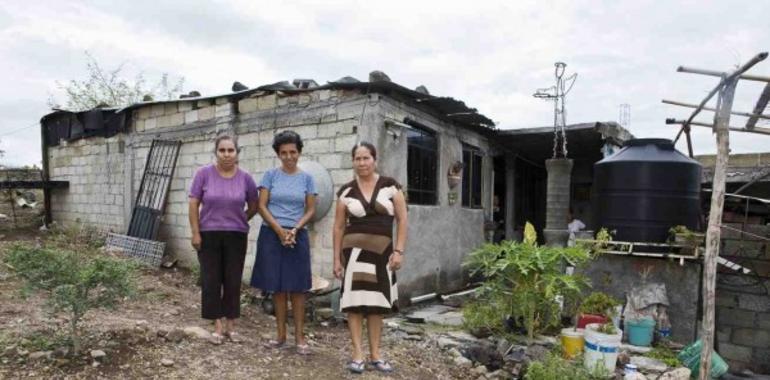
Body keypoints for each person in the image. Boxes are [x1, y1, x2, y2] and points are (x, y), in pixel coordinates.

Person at [333, 141, 408, 374]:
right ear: (353, 161)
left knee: (377, 305)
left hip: (382, 255)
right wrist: (336, 259)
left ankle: (376, 354)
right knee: (354, 305)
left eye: (366, 158)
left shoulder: (391, 187)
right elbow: (337, 228)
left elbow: (403, 220)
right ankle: (357, 354)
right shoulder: (345, 191)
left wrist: (398, 251)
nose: (362, 162)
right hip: (353, 255)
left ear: (374, 160)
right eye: (358, 158)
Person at [250, 130, 316, 355]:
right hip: (271, 234)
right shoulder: (270, 176)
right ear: (278, 154)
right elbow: (261, 206)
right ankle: (280, 336)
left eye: (293, 152)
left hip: (298, 236)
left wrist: (295, 229)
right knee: (277, 288)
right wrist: (279, 230)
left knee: (298, 289)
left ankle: (299, 338)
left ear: (299, 152)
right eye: (284, 153)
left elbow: (311, 209)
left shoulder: (307, 179)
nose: (289, 156)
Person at [188, 135, 259, 345]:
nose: (226, 154)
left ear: (237, 153)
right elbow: (193, 204)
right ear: (216, 152)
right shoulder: (203, 174)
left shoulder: (245, 178)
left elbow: (255, 204)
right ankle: (217, 325)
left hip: (236, 236)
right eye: (222, 150)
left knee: (233, 280)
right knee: (211, 280)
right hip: (208, 234)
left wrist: (240, 219)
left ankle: (231, 325)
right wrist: (195, 232)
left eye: (231, 150)